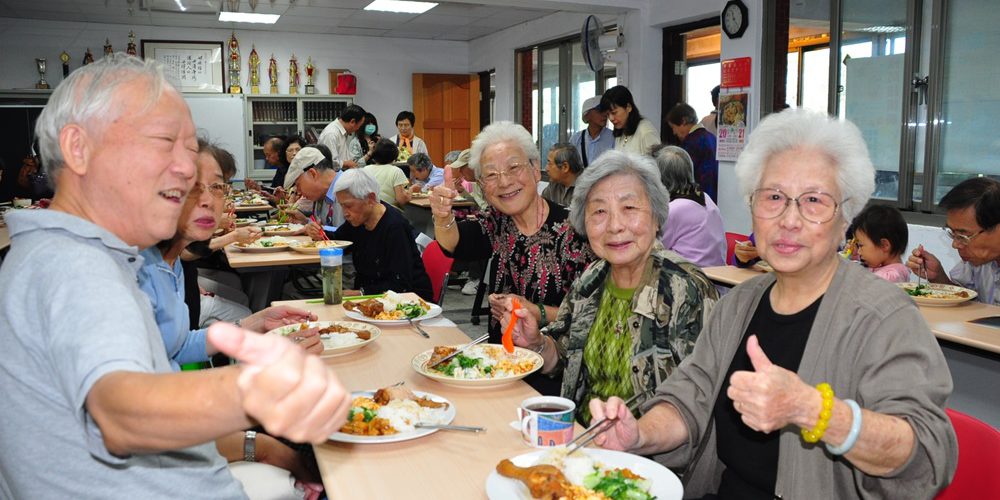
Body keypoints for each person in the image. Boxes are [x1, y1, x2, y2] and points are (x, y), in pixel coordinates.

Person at [0, 54, 349, 498]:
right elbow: (123, 413)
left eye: (188, 150)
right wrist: (257, 389)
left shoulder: (75, 255)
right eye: (164, 142)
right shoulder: (74, 266)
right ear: (78, 149)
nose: (187, 171)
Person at [589, 109, 957, 499]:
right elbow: (689, 398)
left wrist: (813, 411)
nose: (789, 219)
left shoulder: (884, 317)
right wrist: (639, 433)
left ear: (845, 216)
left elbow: (926, 455)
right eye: (774, 197)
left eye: (813, 200)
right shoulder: (740, 302)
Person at [139, 138, 326, 499]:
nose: (208, 199)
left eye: (218, 186)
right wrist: (260, 444)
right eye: (193, 187)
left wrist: (252, 326)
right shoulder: (138, 273)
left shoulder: (172, 264)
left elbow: (178, 345)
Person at [505, 151, 718, 423]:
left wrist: (639, 438)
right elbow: (562, 359)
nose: (615, 226)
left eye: (629, 208)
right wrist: (537, 343)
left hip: (651, 455)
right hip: (582, 438)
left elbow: (701, 400)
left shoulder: (686, 289)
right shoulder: (592, 280)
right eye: (600, 212)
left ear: (656, 216)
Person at [429, 121, 594, 395]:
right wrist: (443, 216)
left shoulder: (576, 231)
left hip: (556, 378)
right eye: (491, 175)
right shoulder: (499, 221)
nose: (504, 182)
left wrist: (536, 311)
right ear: (482, 185)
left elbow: (592, 316)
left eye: (513, 168)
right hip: (501, 366)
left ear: (534, 166)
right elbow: (455, 242)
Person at [330, 169, 433, 300]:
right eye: (342, 206)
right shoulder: (358, 220)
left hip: (408, 300)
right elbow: (337, 240)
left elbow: (401, 282)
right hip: (373, 295)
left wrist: (361, 293)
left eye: (348, 206)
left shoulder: (394, 227)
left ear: (371, 199)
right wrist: (313, 231)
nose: (345, 213)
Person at [907, 177, 1000, 305]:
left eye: (963, 236)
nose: (955, 244)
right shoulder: (977, 262)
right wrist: (938, 276)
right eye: (953, 234)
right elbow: (968, 301)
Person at [654, 145, 725, 268]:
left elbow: (653, 247)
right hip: (718, 279)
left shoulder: (673, 209)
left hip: (688, 280)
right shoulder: (705, 198)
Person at [285, 145, 346, 236]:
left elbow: (351, 233)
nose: (299, 191)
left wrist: (318, 229)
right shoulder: (320, 194)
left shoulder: (348, 187)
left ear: (313, 174)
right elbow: (322, 225)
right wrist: (305, 221)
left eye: (298, 185)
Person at [666, 102, 719, 202]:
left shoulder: (691, 142)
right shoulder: (711, 137)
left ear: (683, 121)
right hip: (714, 196)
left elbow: (681, 175)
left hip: (698, 198)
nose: (674, 132)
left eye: (673, 127)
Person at [851, 204, 910, 282]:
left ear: (884, 245)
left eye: (861, 246)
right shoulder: (883, 267)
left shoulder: (891, 276)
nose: (859, 251)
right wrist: (855, 258)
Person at [600, 85, 661, 156]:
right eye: (607, 114)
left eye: (614, 113)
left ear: (628, 107)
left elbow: (657, 164)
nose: (611, 118)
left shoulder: (645, 131)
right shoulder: (621, 131)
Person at [363, 138, 411, 208]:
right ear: (394, 155)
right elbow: (401, 200)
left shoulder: (365, 169)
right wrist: (411, 191)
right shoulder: (396, 171)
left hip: (369, 209)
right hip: (388, 212)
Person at [568, 96, 614, 167]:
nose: (605, 115)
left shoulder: (613, 138)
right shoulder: (575, 139)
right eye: (600, 110)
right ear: (587, 115)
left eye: (606, 111)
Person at [318, 104, 366, 169]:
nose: (357, 129)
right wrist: (346, 163)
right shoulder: (331, 134)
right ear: (352, 122)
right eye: (359, 126)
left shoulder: (342, 132)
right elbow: (328, 162)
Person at [541, 142, 583, 207]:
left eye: (550, 163)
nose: (546, 169)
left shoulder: (587, 188)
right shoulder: (554, 183)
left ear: (565, 167)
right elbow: (541, 207)